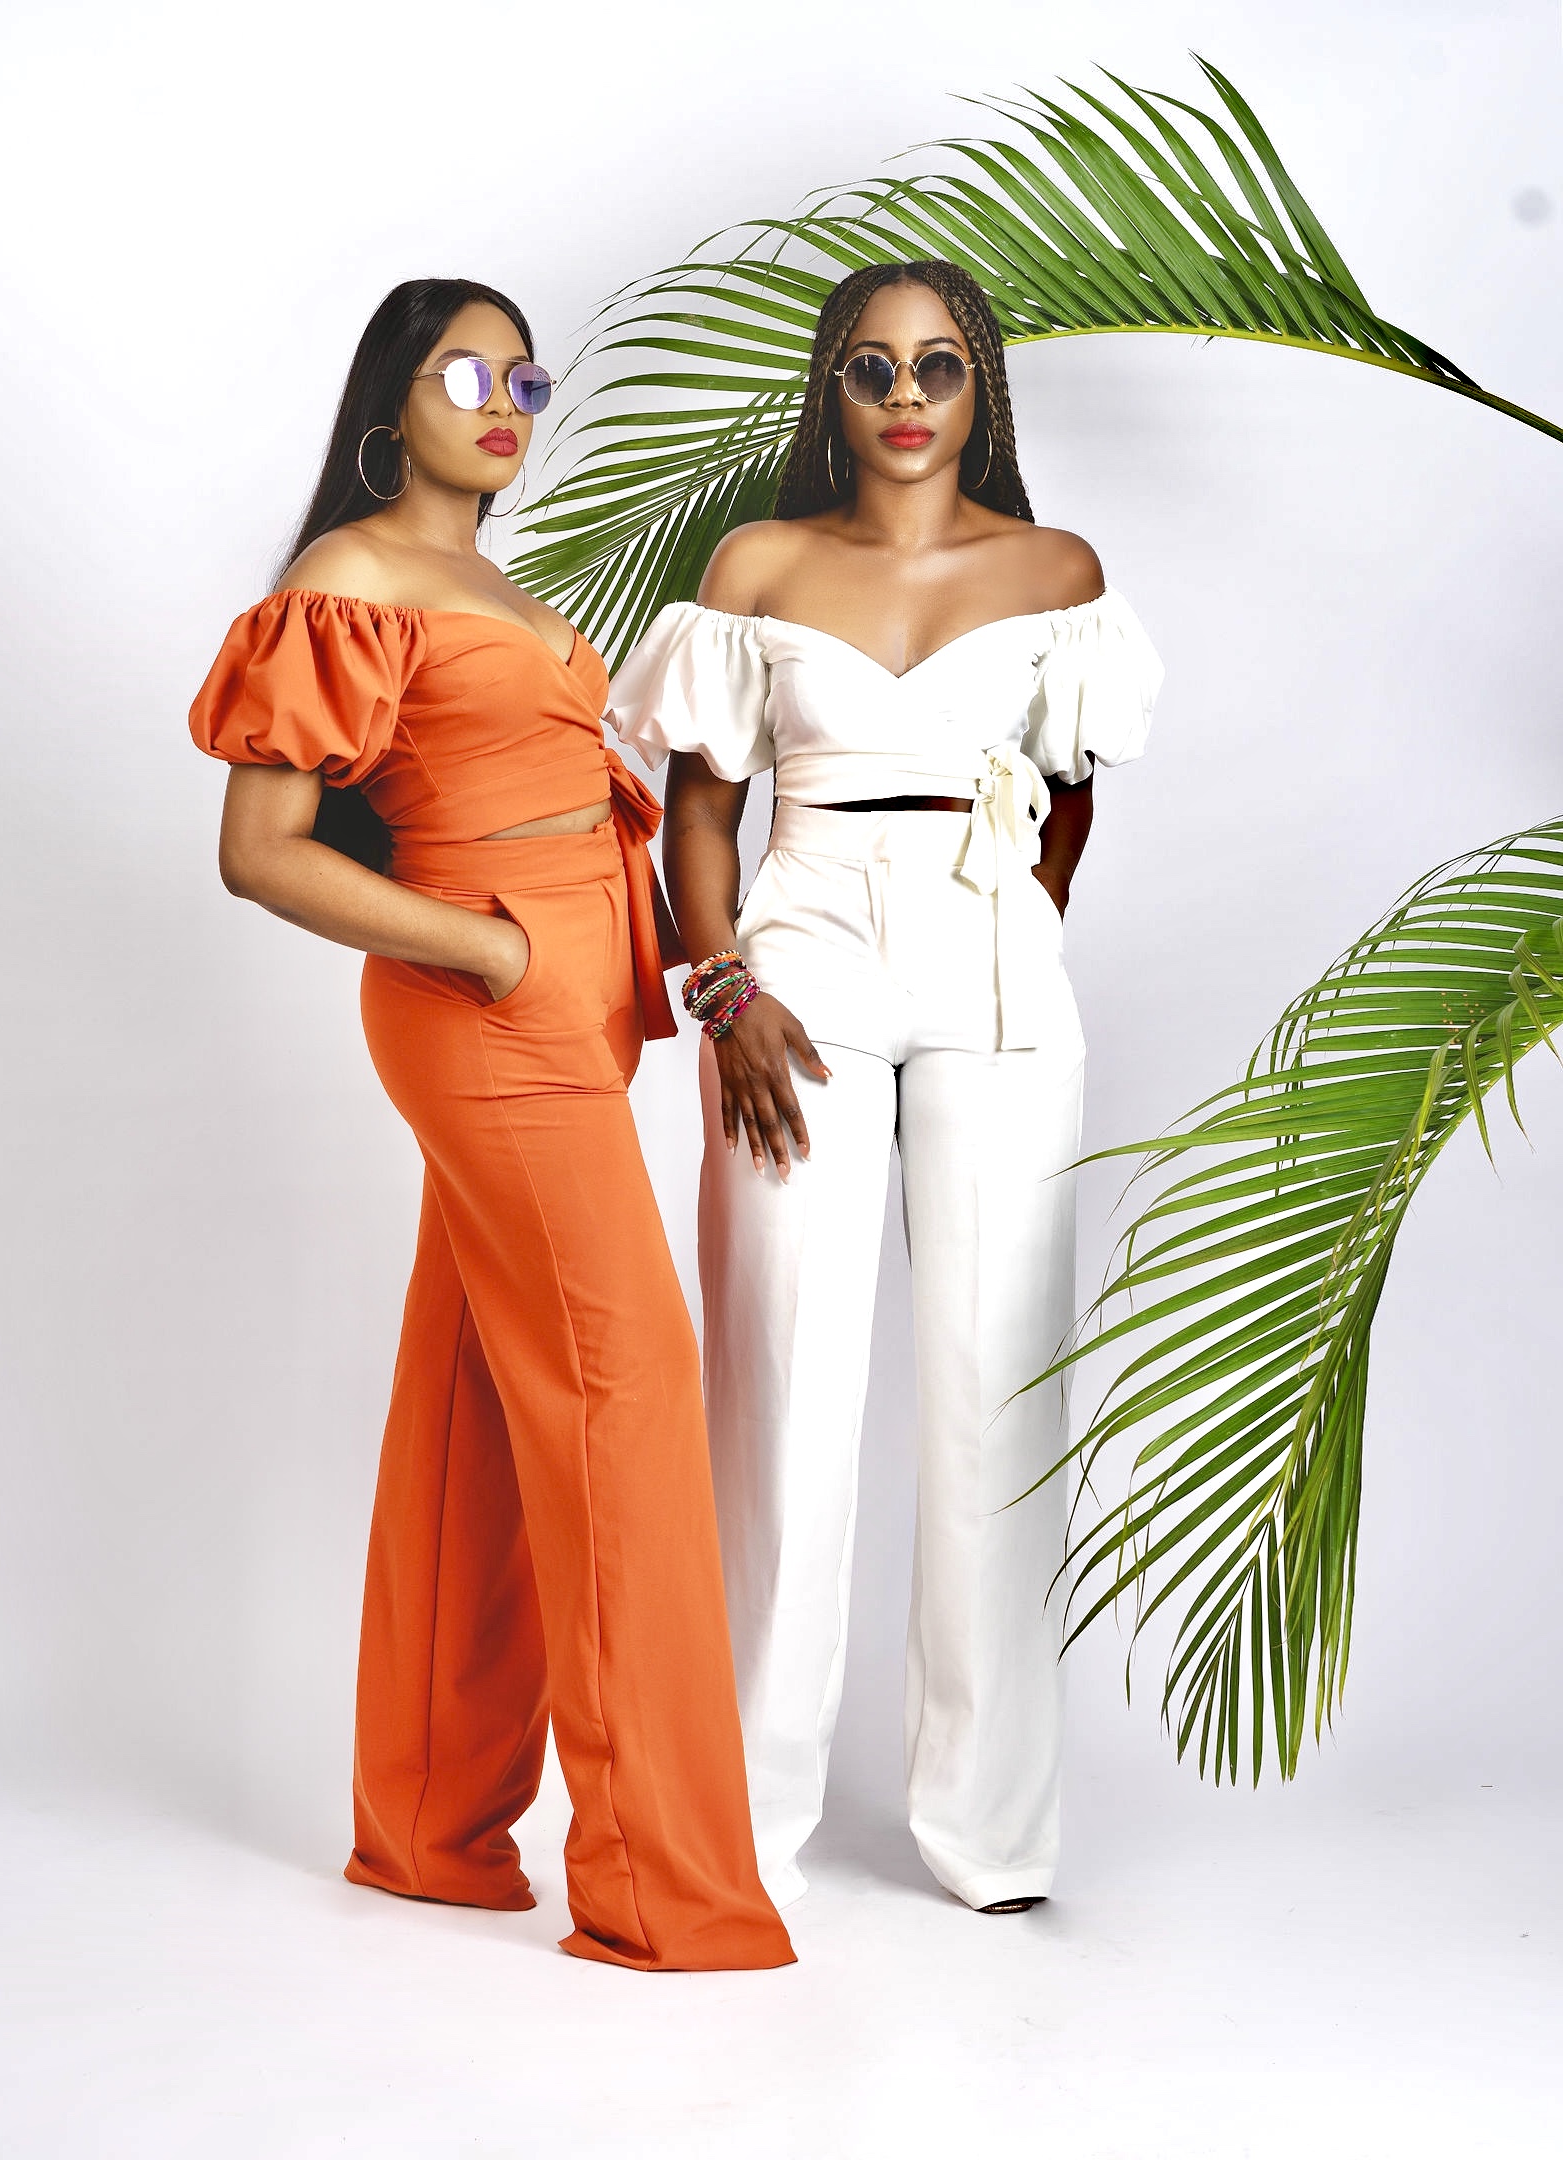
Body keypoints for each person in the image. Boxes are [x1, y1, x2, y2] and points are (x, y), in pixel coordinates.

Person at [189, 278, 793, 1972]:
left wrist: (669, 974)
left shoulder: (499, 587)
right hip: (491, 1010)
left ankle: (428, 1828)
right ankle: (661, 1887)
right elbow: (260, 850)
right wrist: (489, 950)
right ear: (394, 397)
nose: (504, 403)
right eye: (467, 373)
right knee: (625, 1390)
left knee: (473, 1395)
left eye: (525, 379)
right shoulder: (353, 574)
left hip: (573, 1011)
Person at [607, 260, 1162, 1915]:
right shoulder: (759, 566)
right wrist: (724, 988)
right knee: (778, 1383)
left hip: (993, 972)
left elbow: (1067, 789)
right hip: (799, 961)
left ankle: (989, 1833)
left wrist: (1017, 922)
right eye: (871, 368)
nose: (906, 396)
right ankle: (739, 1819)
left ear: (982, 384)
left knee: (1001, 1392)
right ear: (831, 391)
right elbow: (701, 811)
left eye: (937, 365)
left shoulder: (1057, 573)